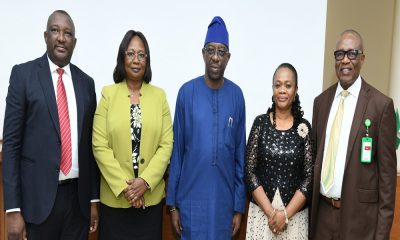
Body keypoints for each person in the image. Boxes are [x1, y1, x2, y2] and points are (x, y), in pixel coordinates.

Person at [2, 10, 99, 240]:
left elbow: (90, 147)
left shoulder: (86, 83)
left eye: (68, 33)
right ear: (46, 36)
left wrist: (93, 199)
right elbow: (12, 145)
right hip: (37, 205)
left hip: (77, 203)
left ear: (74, 42)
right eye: (55, 30)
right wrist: (12, 209)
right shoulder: (23, 75)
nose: (61, 37)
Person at [310, 29, 397, 239]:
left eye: (352, 53)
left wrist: (381, 235)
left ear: (362, 58)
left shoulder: (380, 106)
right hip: (321, 216)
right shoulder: (321, 103)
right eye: (340, 54)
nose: (345, 60)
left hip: (359, 224)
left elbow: (387, 180)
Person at [166, 16, 246, 239]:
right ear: (203, 53)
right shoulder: (186, 93)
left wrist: (238, 207)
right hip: (191, 205)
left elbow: (240, 156)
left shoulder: (237, 96)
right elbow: (177, 152)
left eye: (222, 52)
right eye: (211, 50)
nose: (215, 57)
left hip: (224, 206)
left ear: (228, 58)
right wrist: (172, 206)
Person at [92, 30, 173, 240]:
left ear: (147, 60)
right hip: (115, 202)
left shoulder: (160, 96)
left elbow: (166, 144)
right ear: (122, 58)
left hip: (150, 203)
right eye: (130, 54)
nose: (136, 60)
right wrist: (126, 188)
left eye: (141, 55)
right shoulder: (108, 94)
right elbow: (99, 145)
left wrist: (144, 182)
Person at [245, 63, 312, 239]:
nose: (282, 90)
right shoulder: (260, 123)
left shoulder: (304, 127)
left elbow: (309, 177)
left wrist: (285, 215)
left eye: (288, 85)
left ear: (296, 90)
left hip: (295, 217)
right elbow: (249, 171)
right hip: (262, 214)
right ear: (273, 88)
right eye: (278, 85)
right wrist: (271, 213)